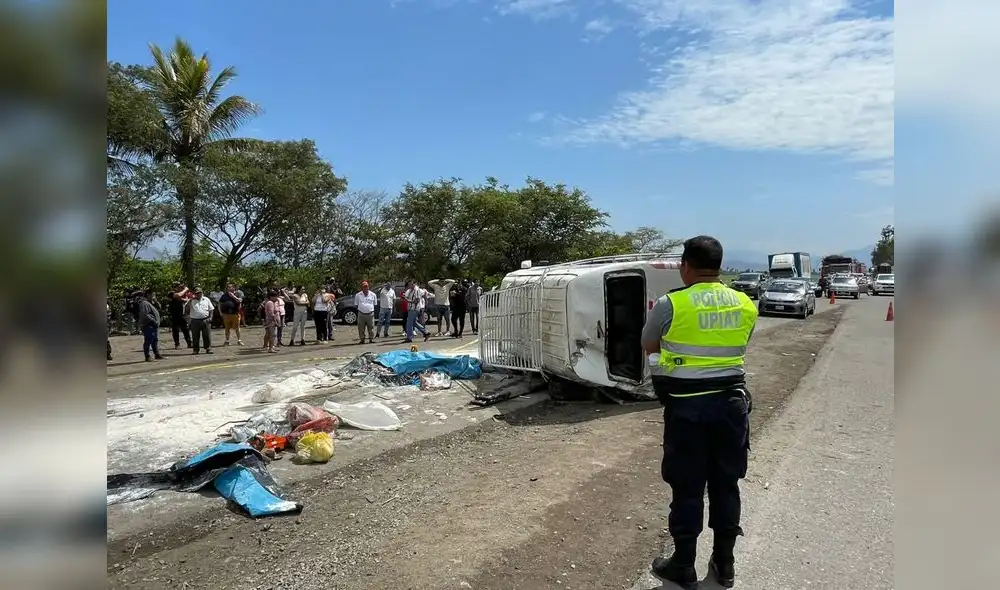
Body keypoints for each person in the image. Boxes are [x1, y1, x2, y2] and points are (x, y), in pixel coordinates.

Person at [640, 235, 758, 589]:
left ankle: (683, 565)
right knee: (726, 485)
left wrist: (664, 369)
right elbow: (740, 345)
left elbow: (648, 344)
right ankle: (725, 563)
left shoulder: (671, 303)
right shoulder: (745, 302)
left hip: (687, 409)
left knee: (688, 487)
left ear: (685, 265)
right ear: (719, 266)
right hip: (731, 407)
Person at [135, 289, 165, 362]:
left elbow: (159, 307)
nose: (154, 296)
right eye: (153, 295)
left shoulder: (150, 302)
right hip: (149, 324)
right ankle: (147, 356)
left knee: (154, 340)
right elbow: (145, 314)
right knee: (149, 340)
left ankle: (156, 354)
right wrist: (153, 321)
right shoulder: (144, 303)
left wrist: (156, 301)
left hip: (153, 325)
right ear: (148, 295)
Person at [185, 286, 215, 355]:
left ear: (202, 293)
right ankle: (195, 350)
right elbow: (186, 311)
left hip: (205, 319)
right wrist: (190, 301)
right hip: (195, 320)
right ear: (194, 294)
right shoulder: (191, 301)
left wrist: (210, 317)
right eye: (196, 293)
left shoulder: (206, 299)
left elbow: (211, 309)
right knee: (195, 336)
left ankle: (208, 348)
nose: (198, 294)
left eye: (199, 293)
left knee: (207, 335)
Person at [168, 281, 193, 349]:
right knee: (175, 330)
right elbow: (178, 296)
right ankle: (177, 344)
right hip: (174, 314)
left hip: (181, 314)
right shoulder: (171, 293)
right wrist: (185, 289)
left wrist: (185, 298)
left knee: (185, 329)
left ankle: (189, 343)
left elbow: (184, 299)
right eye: (178, 287)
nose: (179, 288)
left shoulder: (180, 293)